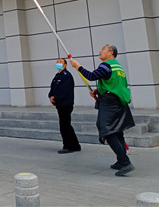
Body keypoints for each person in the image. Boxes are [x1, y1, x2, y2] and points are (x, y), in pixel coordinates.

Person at [70, 44, 135, 176]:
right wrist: (99, 91)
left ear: (111, 52)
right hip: (119, 102)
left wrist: (78, 66)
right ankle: (120, 160)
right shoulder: (118, 66)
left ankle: (125, 162)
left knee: (107, 131)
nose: (100, 52)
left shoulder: (106, 65)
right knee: (117, 131)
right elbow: (113, 84)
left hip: (110, 104)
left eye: (103, 50)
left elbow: (91, 76)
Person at [48, 58, 81, 154]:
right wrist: (51, 96)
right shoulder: (57, 75)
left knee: (65, 126)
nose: (58, 63)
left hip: (66, 104)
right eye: (57, 62)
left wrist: (56, 98)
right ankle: (75, 145)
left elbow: (65, 91)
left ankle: (68, 146)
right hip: (60, 104)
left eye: (60, 62)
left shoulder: (67, 76)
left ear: (65, 65)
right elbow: (53, 88)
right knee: (65, 125)